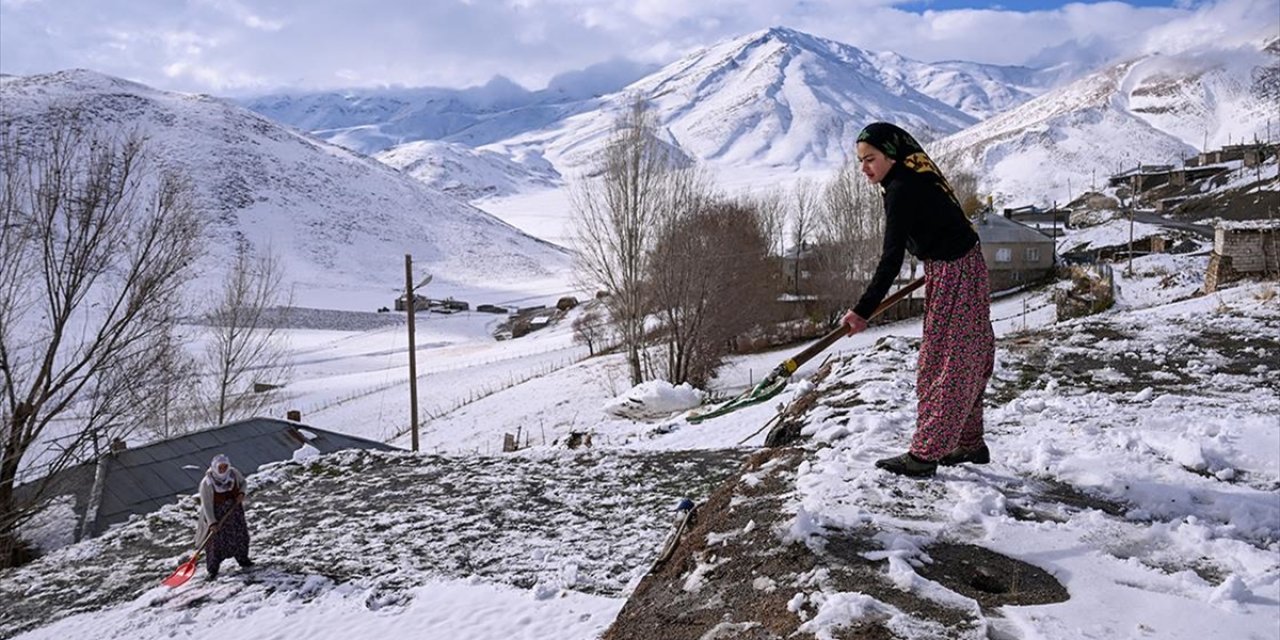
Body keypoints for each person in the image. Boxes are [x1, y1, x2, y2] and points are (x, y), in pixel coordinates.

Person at [841, 122, 995, 478]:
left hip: (956, 271)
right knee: (966, 355)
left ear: (891, 155)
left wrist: (862, 310)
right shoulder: (914, 175)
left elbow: (891, 257)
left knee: (946, 363)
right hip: (960, 267)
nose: (864, 168)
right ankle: (969, 444)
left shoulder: (901, 189)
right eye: (861, 161)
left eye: (870, 159)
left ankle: (925, 456)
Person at [195, 454, 253, 579]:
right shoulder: (207, 483)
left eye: (224, 466)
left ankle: (242, 559)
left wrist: (241, 493)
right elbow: (206, 505)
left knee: (240, 535)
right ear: (214, 467)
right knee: (215, 542)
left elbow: (243, 483)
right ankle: (213, 569)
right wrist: (212, 523)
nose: (223, 469)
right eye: (220, 467)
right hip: (217, 514)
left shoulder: (233, 474)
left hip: (234, 512)